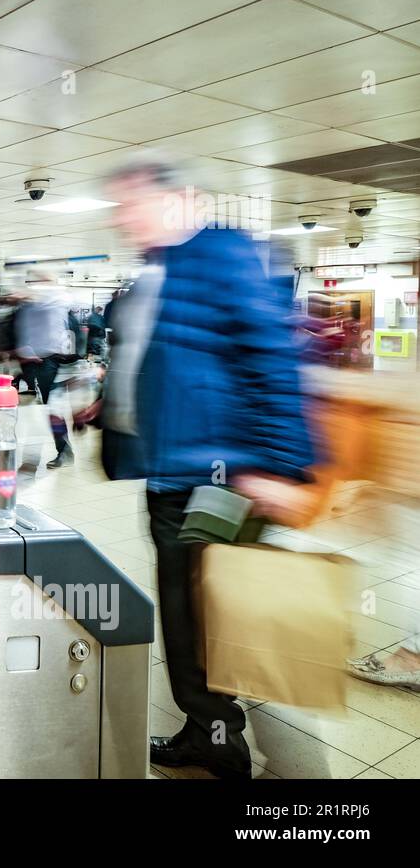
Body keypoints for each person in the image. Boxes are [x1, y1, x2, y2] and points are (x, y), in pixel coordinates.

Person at [101, 157, 316, 780]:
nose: (125, 219)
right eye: (121, 208)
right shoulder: (164, 267)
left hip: (214, 479)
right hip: (180, 471)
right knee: (194, 607)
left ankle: (217, 738)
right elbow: (178, 357)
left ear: (181, 199)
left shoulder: (219, 253)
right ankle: (213, 726)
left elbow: (270, 356)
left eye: (134, 204)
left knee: (196, 610)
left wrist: (283, 465)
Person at [12, 278, 75, 468]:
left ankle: (64, 451)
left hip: (49, 363)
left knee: (50, 410)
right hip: (29, 364)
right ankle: (31, 459)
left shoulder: (54, 303)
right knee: (34, 411)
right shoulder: (27, 308)